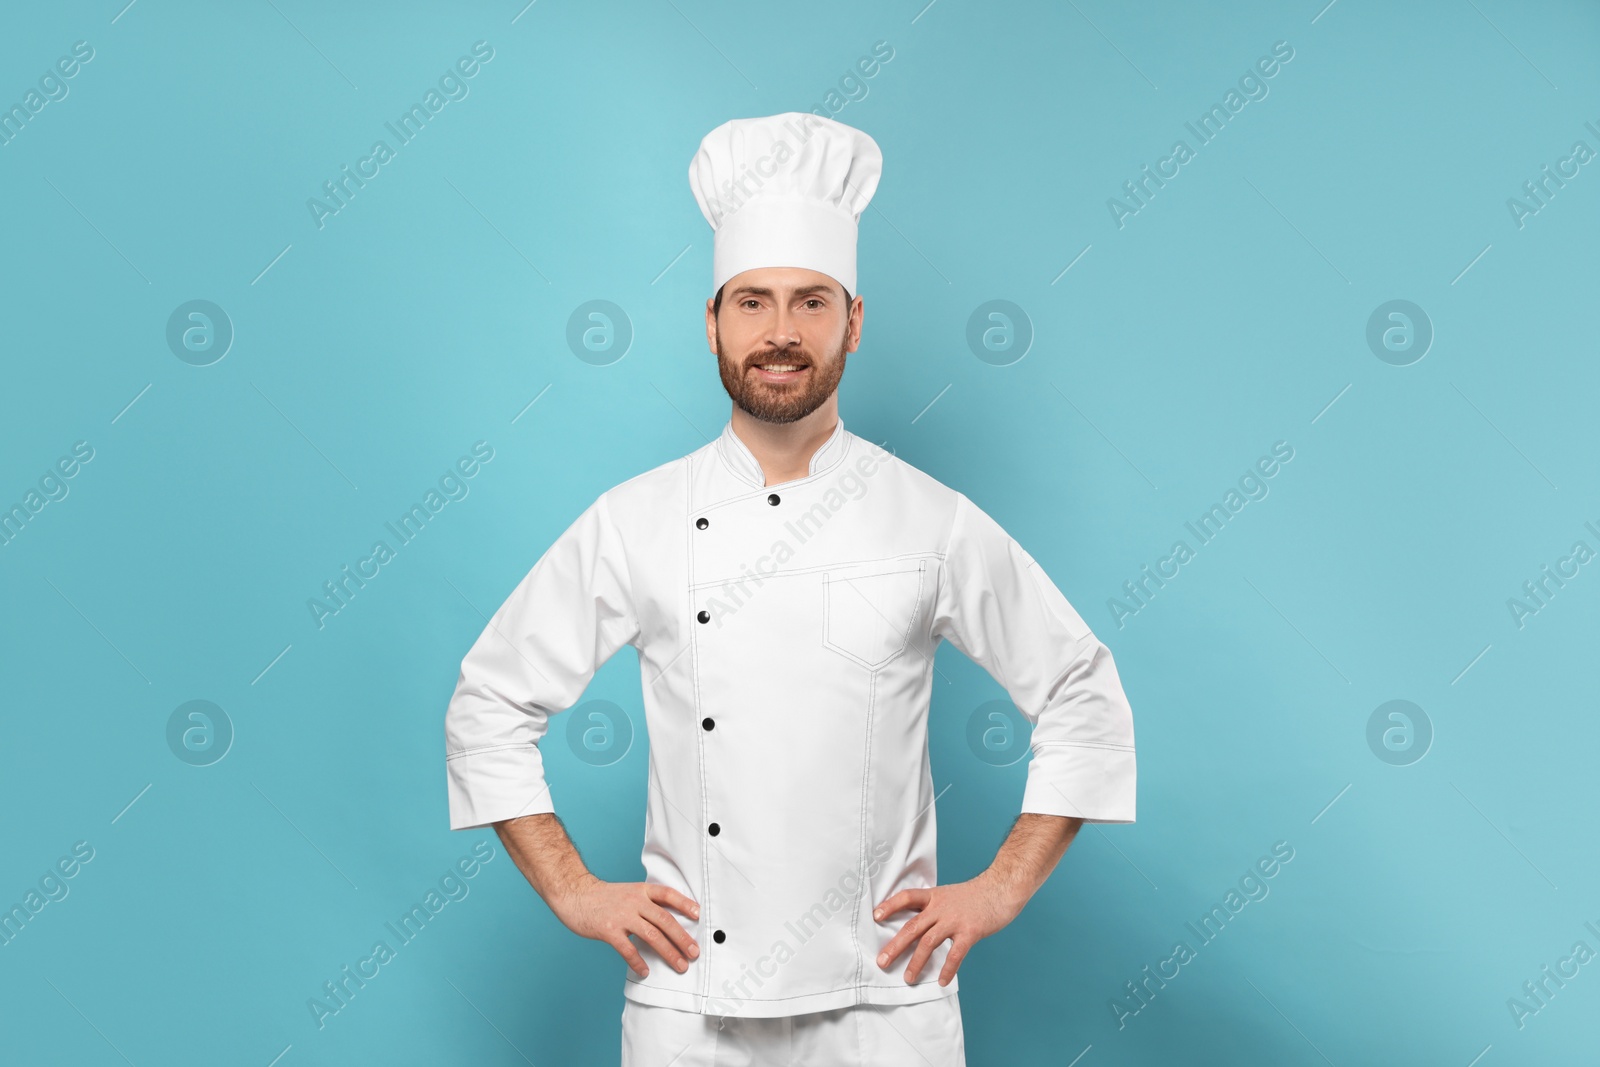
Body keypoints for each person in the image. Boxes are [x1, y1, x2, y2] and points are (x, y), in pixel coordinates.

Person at [442, 111, 1138, 1066]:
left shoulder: (930, 517)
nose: (780, 333)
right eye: (753, 302)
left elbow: (1081, 692)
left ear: (854, 321)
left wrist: (1002, 887)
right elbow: (488, 701)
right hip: (689, 1009)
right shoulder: (634, 519)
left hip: (887, 1007)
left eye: (812, 302)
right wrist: (573, 888)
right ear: (712, 323)